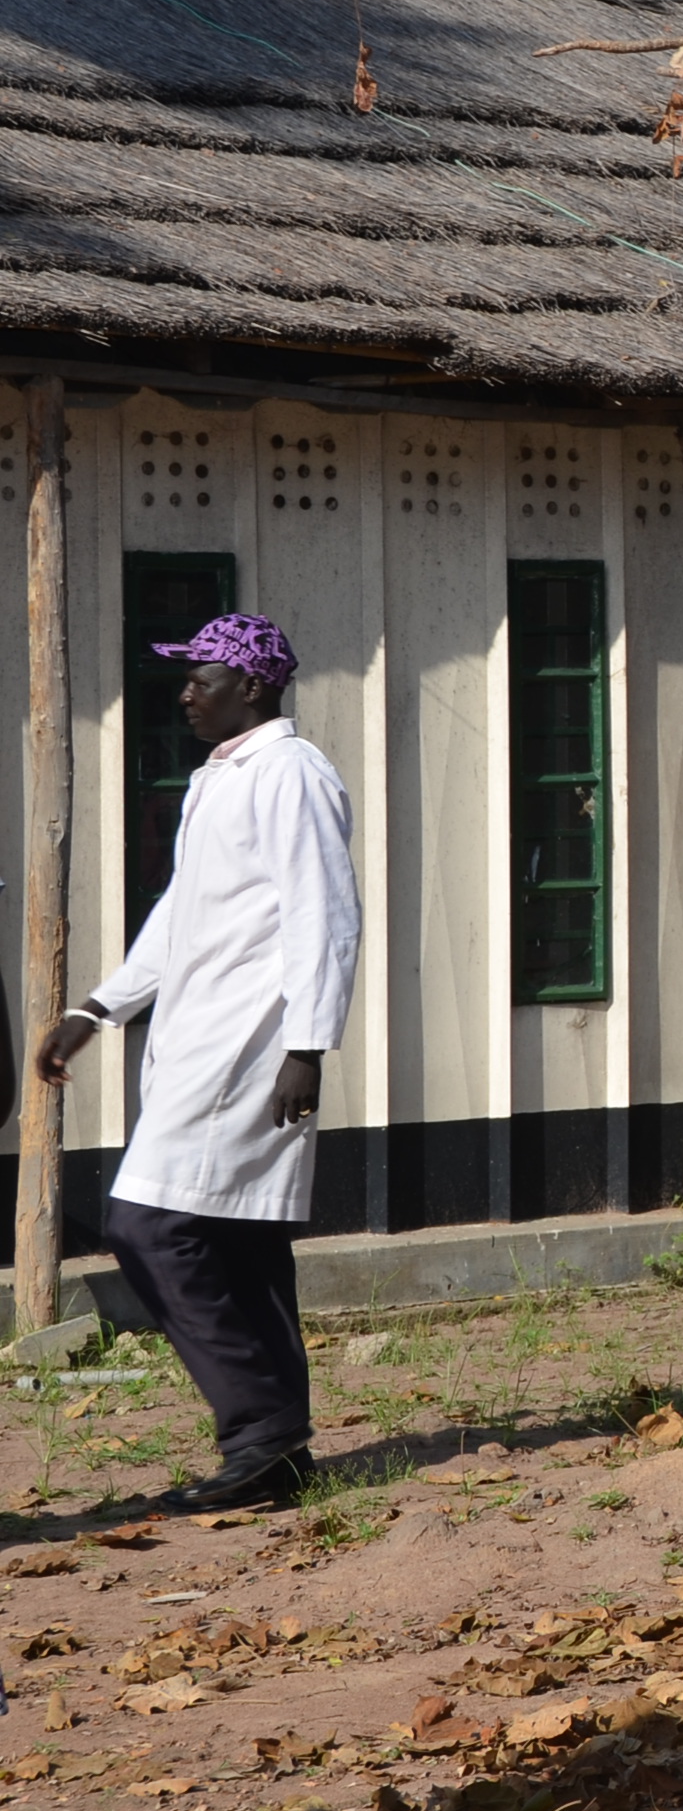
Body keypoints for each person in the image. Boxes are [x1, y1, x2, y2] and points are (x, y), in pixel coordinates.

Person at [28, 614, 357, 1515]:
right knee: (239, 1239)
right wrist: (99, 1007)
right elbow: (181, 911)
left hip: (253, 1040)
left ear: (252, 687)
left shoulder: (290, 773)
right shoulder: (222, 778)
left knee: (149, 1226)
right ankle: (276, 1449)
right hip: (201, 1030)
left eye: (200, 677)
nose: (184, 692)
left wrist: (307, 1046)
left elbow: (324, 911)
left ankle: (258, 1431)